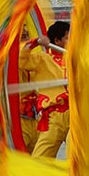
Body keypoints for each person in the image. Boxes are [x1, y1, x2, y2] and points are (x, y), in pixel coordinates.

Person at [20, 21, 70, 159]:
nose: (71, 41)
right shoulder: (43, 59)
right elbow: (21, 60)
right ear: (57, 41)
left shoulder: (76, 59)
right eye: (67, 38)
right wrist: (35, 42)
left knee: (78, 161)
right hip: (54, 117)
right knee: (39, 159)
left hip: (76, 117)